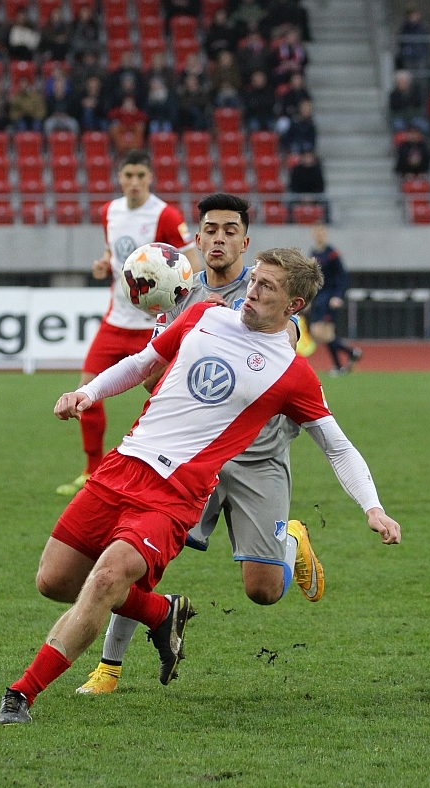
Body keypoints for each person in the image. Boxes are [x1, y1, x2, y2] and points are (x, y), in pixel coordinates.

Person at [0, 246, 400, 724]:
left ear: (294, 305)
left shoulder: (293, 374)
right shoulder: (203, 315)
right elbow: (142, 364)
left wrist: (373, 507)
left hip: (175, 495)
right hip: (122, 466)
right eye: (254, 279)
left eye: (266, 287)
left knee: (107, 579)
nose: (251, 291)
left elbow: (337, 446)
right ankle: (160, 613)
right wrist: (87, 392)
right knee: (55, 581)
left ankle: (21, 694)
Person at [75, 192, 318, 695]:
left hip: (256, 456)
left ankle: (290, 540)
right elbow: (152, 377)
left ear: (245, 243)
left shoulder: (264, 293)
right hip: (187, 458)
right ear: (198, 238)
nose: (219, 239)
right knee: (139, 553)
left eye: (231, 231)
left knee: (263, 591)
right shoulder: (178, 292)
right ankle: (108, 668)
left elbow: (285, 343)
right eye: (210, 229)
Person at [56, 149, 201, 497]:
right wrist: (104, 263)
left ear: (150, 178)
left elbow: (193, 265)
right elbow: (115, 253)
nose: (134, 182)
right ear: (119, 178)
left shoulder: (166, 215)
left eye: (140, 176)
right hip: (115, 321)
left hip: (155, 326)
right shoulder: (109, 211)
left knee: (166, 398)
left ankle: (173, 468)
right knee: (86, 392)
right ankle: (91, 470)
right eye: (128, 176)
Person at [308, 223, 361, 376]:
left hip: (329, 296)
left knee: (321, 332)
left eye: (321, 232)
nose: (319, 235)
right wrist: (309, 298)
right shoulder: (313, 253)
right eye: (316, 232)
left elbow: (342, 276)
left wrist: (338, 295)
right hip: (319, 297)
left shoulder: (332, 253)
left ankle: (342, 362)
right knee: (324, 334)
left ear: (325, 234)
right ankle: (348, 355)